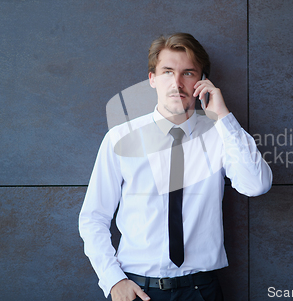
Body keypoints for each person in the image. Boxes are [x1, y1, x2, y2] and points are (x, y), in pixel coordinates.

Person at [79, 33, 272, 301]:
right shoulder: (120, 138)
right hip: (137, 289)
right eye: (168, 72)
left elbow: (257, 185)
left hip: (201, 291)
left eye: (188, 73)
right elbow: (93, 218)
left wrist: (224, 117)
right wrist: (113, 281)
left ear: (202, 81)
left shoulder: (220, 135)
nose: (177, 83)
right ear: (152, 79)